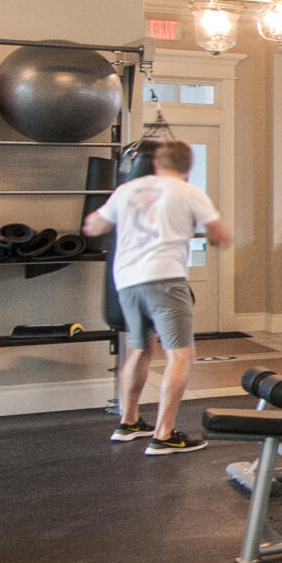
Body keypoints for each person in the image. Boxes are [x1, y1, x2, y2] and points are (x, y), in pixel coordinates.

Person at [83, 141, 231, 454]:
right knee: (181, 355)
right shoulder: (186, 191)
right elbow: (220, 235)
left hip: (126, 282)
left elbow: (92, 225)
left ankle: (128, 421)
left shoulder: (127, 190)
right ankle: (163, 435)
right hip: (165, 278)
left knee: (140, 348)